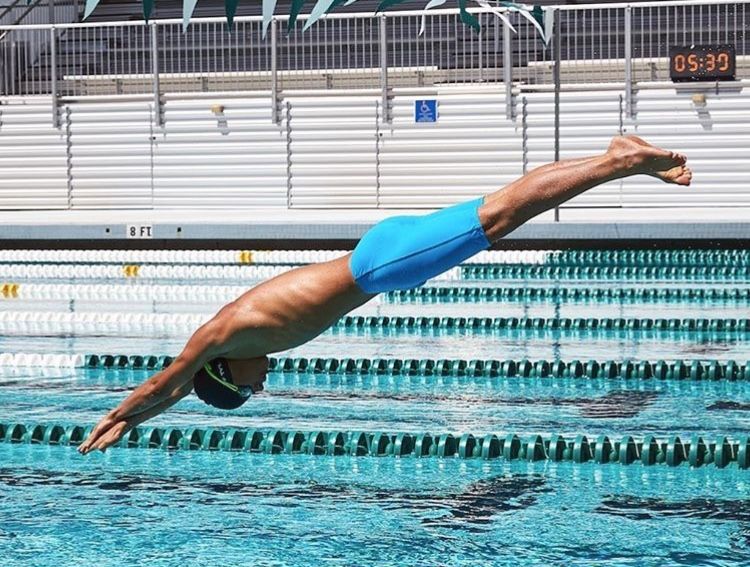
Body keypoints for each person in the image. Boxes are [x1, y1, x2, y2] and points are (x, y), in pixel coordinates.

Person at [78, 135, 691, 455]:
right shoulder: (234, 342)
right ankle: (618, 162)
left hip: (383, 265)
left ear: (226, 370)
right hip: (380, 257)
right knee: (497, 214)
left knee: (499, 215)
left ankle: (618, 161)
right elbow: (180, 391)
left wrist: (119, 415)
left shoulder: (221, 335)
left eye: (247, 386)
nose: (262, 385)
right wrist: (139, 422)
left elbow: (170, 382)